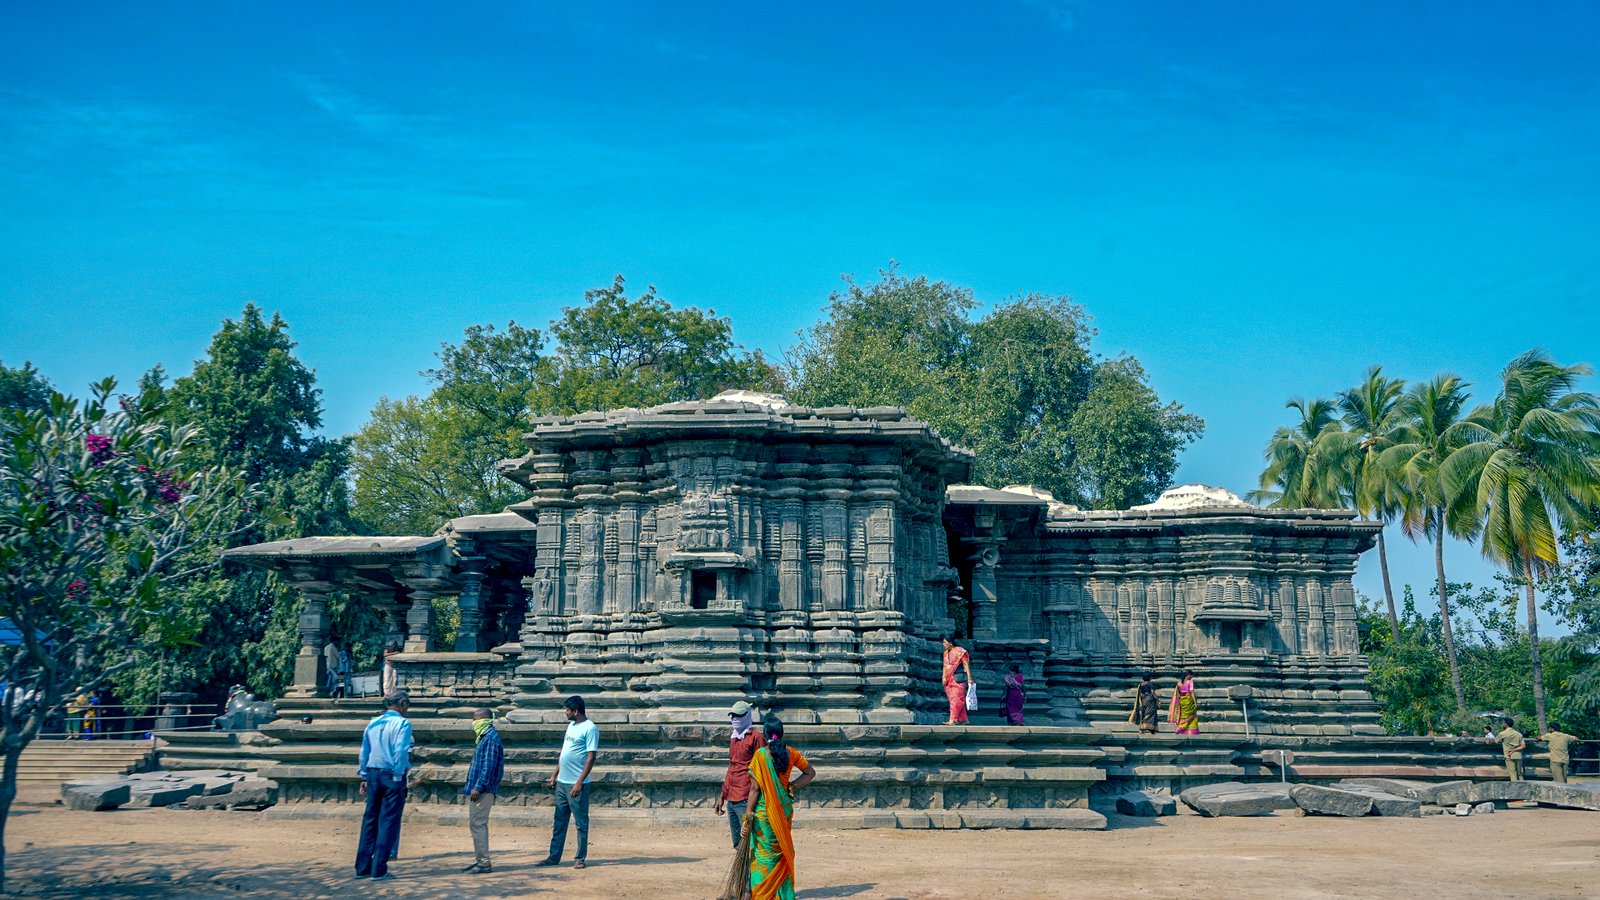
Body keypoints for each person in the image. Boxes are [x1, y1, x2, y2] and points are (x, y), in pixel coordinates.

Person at [740, 714, 816, 900]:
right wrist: (792, 786)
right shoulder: (792, 753)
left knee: (763, 853)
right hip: (783, 809)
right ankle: (781, 893)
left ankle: (764, 893)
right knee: (779, 849)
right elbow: (810, 772)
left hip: (765, 812)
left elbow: (755, 788)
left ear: (765, 735)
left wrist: (747, 814)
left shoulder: (761, 755)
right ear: (781, 734)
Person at [354, 690, 414, 880]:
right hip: (391, 775)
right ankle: (379, 868)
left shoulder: (373, 722)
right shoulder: (403, 723)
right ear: (402, 703)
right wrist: (398, 776)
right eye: (407, 705)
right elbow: (400, 751)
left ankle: (362, 867)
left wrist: (364, 775)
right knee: (388, 821)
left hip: (372, 773)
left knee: (370, 819)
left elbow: (364, 751)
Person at [537, 695, 598, 870]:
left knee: (580, 823)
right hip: (562, 782)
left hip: (577, 783)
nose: (565, 713)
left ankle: (580, 858)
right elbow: (565, 753)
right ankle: (554, 856)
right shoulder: (571, 726)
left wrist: (579, 782)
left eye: (567, 710)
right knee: (559, 822)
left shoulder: (590, 728)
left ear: (576, 711)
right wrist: (555, 774)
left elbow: (591, 757)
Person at [715, 700, 767, 848]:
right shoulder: (735, 738)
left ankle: (752, 871)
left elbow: (762, 768)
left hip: (746, 797)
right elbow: (732, 767)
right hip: (732, 797)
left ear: (747, 716)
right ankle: (743, 871)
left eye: (738, 715)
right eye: (732, 716)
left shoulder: (756, 737)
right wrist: (722, 796)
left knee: (749, 841)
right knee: (738, 842)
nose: (735, 719)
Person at [461, 707, 505, 874]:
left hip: (483, 790)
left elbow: (489, 766)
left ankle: (484, 862)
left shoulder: (491, 739)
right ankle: (480, 859)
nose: (473, 723)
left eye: (475, 720)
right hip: (480, 788)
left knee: (478, 824)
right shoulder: (485, 738)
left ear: (483, 721)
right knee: (476, 823)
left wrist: (478, 787)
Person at [941, 636, 972, 726]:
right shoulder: (945, 653)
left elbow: (966, 664)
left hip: (957, 678)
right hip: (948, 679)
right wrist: (943, 677)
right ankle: (964, 719)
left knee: (956, 699)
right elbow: (945, 666)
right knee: (953, 699)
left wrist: (969, 677)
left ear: (950, 642)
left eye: (945, 642)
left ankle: (952, 719)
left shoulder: (960, 651)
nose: (944, 644)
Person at [1489, 716, 1525, 782]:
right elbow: (1523, 746)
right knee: (1520, 774)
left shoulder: (1502, 734)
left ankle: (1515, 788)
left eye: (1503, 723)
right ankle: (1523, 785)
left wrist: (1488, 741)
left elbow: (1493, 741)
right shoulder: (1519, 734)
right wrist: (1514, 750)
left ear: (1506, 724)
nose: (1503, 724)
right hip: (1518, 755)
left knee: (1513, 774)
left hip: (1509, 755)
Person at [1168, 669, 1199, 735]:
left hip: (1182, 700)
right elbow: (1192, 692)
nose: (1192, 677)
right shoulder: (1190, 681)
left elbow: (1177, 694)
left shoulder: (1179, 683)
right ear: (1188, 675)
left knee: (1183, 716)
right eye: (1191, 675)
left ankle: (1180, 729)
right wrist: (1195, 702)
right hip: (1189, 699)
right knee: (1192, 715)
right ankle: (1191, 730)